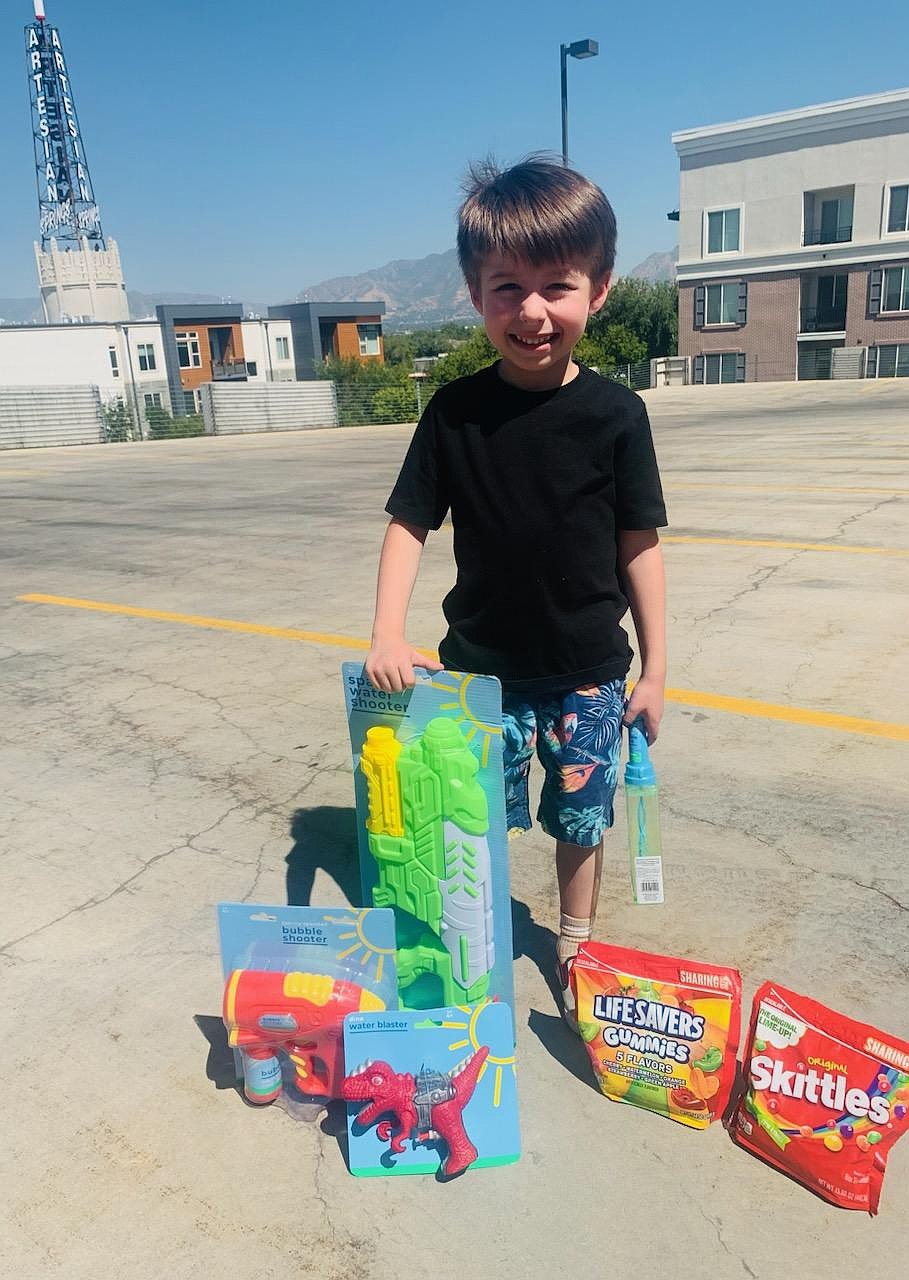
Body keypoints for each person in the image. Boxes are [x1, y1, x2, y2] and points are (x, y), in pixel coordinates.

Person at [364, 155, 667, 1026]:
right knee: (472, 823)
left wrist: (654, 668)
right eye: (506, 288)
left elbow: (638, 544)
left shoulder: (617, 415)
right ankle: (476, 934)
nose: (531, 312)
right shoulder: (453, 413)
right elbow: (406, 524)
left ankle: (575, 941)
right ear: (472, 291)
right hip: (479, 678)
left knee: (582, 818)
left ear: (598, 290)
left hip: (587, 672)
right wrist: (388, 633)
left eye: (556, 287)